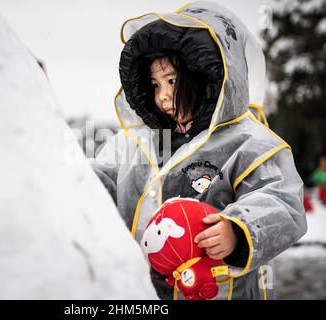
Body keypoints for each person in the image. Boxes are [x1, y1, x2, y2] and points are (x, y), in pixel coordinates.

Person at [92, 1, 307, 300]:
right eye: (154, 85)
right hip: (143, 293)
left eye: (172, 81)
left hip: (218, 292)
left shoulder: (249, 143)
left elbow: (281, 200)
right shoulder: (136, 143)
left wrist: (237, 230)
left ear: (206, 77)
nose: (163, 96)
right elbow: (95, 183)